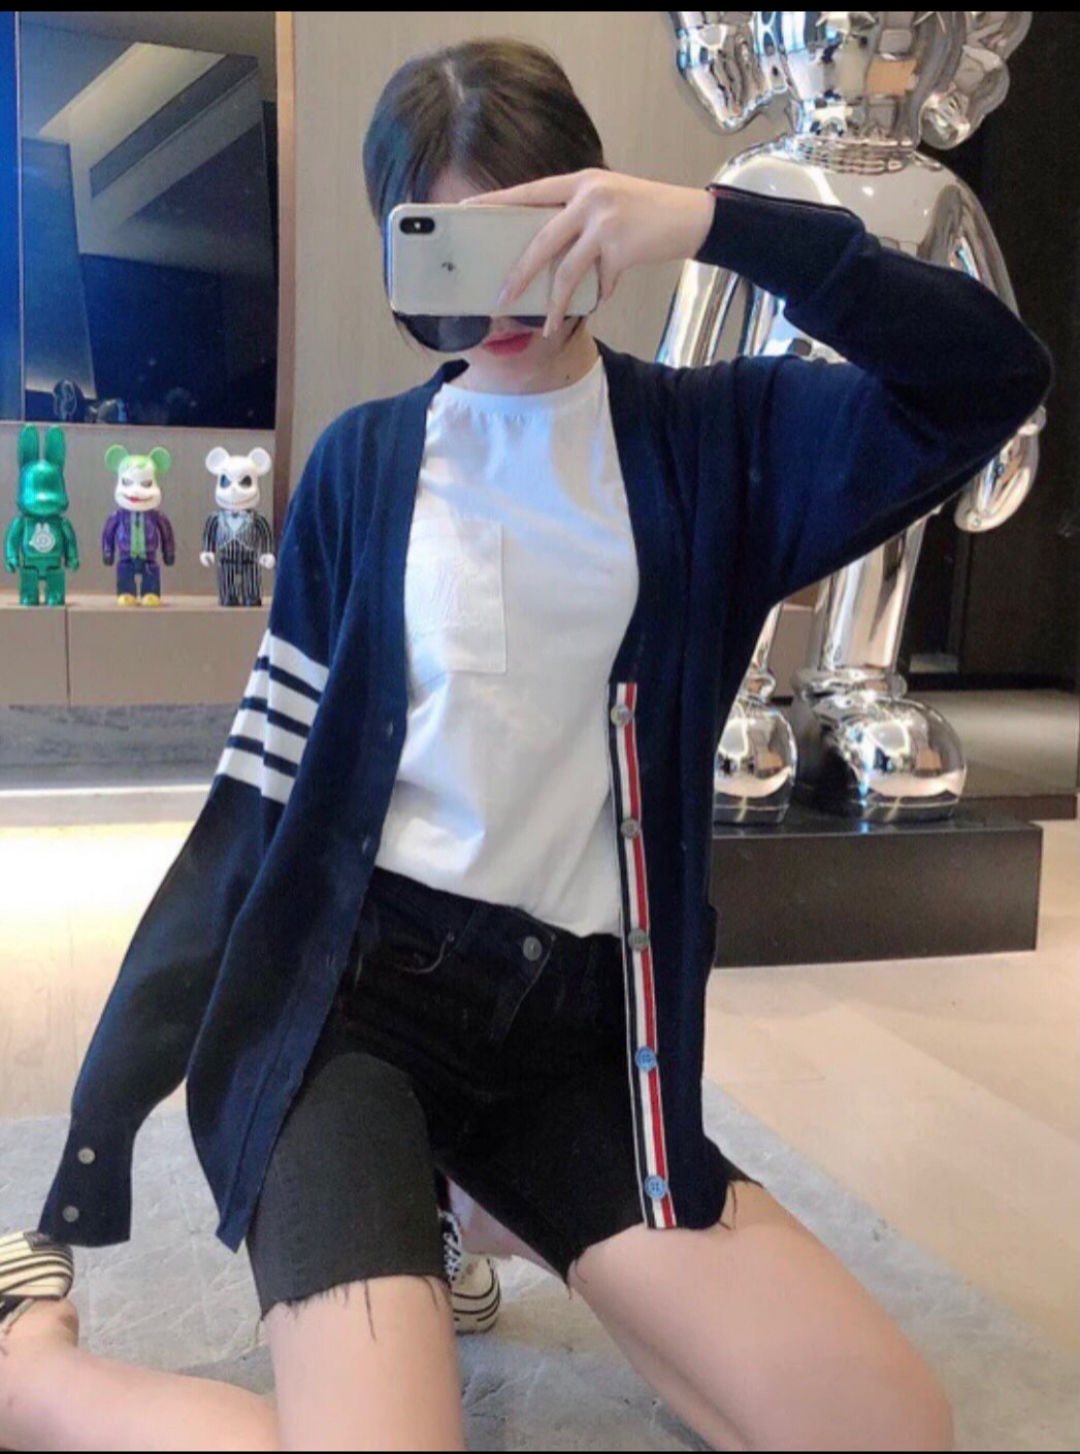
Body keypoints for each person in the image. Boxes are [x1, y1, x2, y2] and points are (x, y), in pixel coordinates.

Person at [0, 36, 1052, 1453]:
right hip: (352, 1022)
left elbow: (990, 377)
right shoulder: (361, 471)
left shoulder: (709, 444)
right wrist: (102, 1121)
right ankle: (32, 1374)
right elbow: (259, 801)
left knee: (885, 1426)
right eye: (445, 244)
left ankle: (484, 1208)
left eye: (528, 231)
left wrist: (715, 222)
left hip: (576, 1041)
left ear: (594, 214)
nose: (495, 294)